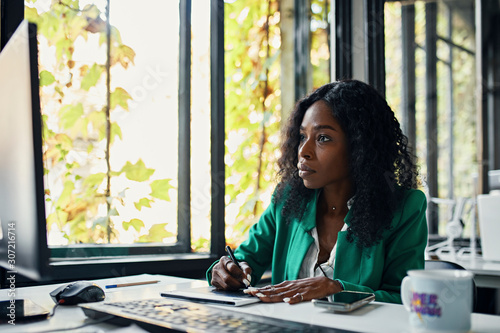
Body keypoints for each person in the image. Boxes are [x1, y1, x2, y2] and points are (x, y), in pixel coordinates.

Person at [207, 79, 428, 304]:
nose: (304, 151)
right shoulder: (287, 202)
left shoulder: (405, 208)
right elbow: (245, 260)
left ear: (360, 148)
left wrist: (336, 289)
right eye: (303, 136)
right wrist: (227, 271)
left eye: (323, 138)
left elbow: (405, 298)